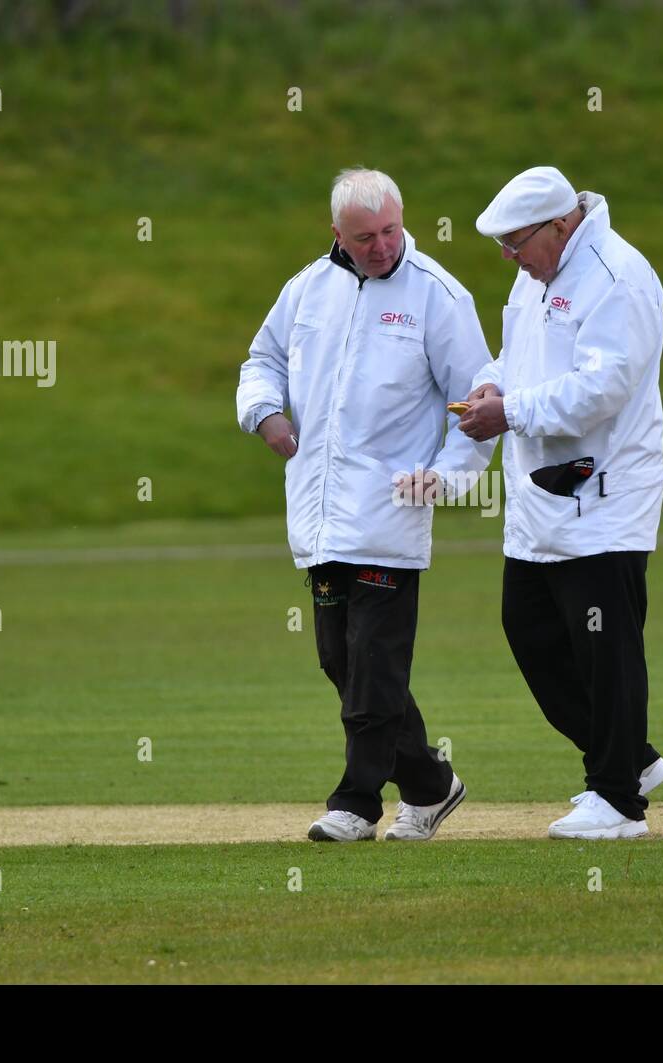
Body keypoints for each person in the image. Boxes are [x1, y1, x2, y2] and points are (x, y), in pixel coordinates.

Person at [237, 168, 495, 842]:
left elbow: (477, 400)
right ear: (337, 237)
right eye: (364, 237)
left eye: (390, 230)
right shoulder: (306, 291)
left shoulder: (439, 296)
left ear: (403, 217)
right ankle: (432, 785)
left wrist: (444, 477)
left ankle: (356, 802)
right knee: (341, 662)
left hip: (391, 512)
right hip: (320, 517)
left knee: (376, 667)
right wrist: (265, 414)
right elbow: (261, 359)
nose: (382, 246)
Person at [459, 165, 663, 840]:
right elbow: (517, 358)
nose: (508, 257)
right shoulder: (534, 277)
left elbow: (602, 389)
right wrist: (488, 387)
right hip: (540, 498)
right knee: (531, 633)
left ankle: (618, 802)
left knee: (607, 648)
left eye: (516, 241)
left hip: (606, 495)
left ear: (561, 224)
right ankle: (628, 759)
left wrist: (510, 412)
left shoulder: (617, 277)